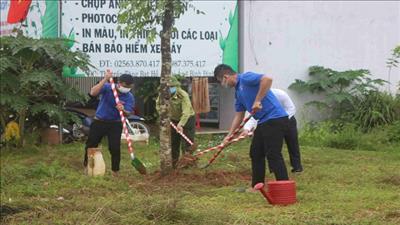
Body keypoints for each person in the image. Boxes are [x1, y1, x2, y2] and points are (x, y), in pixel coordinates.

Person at [214, 64, 290, 188]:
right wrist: (229, 136)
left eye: (221, 81)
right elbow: (239, 116)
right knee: (256, 153)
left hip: (275, 118)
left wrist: (257, 100)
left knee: (273, 154)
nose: (223, 85)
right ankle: (257, 186)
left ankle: (284, 186)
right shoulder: (238, 93)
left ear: (226, 77)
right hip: (263, 121)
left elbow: (267, 79)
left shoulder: (246, 78)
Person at [83, 71, 135, 177]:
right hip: (99, 121)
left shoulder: (129, 97)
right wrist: (105, 79)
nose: (127, 88)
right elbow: (93, 92)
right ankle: (87, 167)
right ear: (119, 83)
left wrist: (123, 109)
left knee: (115, 147)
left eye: (129, 86)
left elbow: (128, 113)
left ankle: (115, 171)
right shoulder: (107, 87)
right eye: (125, 86)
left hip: (115, 124)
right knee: (91, 144)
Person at [242, 88, 303, 173]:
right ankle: (274, 168)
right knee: (272, 146)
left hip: (288, 120)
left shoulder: (281, 94)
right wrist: (247, 128)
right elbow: (253, 116)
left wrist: (281, 120)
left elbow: (291, 109)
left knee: (292, 143)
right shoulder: (257, 100)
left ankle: (297, 167)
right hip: (270, 123)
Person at [156, 76, 196, 169]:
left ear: (176, 86)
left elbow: (186, 112)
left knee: (187, 142)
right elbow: (158, 106)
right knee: (174, 142)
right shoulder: (162, 94)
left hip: (187, 119)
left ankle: (187, 163)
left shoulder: (183, 95)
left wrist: (181, 124)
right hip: (172, 119)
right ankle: (174, 163)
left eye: (171, 86)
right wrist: (164, 116)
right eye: (167, 87)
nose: (169, 89)